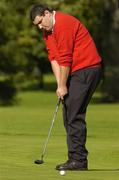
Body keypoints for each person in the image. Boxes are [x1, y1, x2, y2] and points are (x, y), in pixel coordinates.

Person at [30, 4, 102, 171]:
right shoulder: (48, 32)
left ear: (47, 13)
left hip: (87, 68)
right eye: (37, 25)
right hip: (76, 71)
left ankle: (79, 160)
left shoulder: (63, 23)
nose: (41, 27)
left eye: (41, 22)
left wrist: (63, 85)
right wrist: (59, 85)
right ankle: (75, 158)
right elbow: (54, 58)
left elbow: (65, 58)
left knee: (74, 112)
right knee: (68, 111)